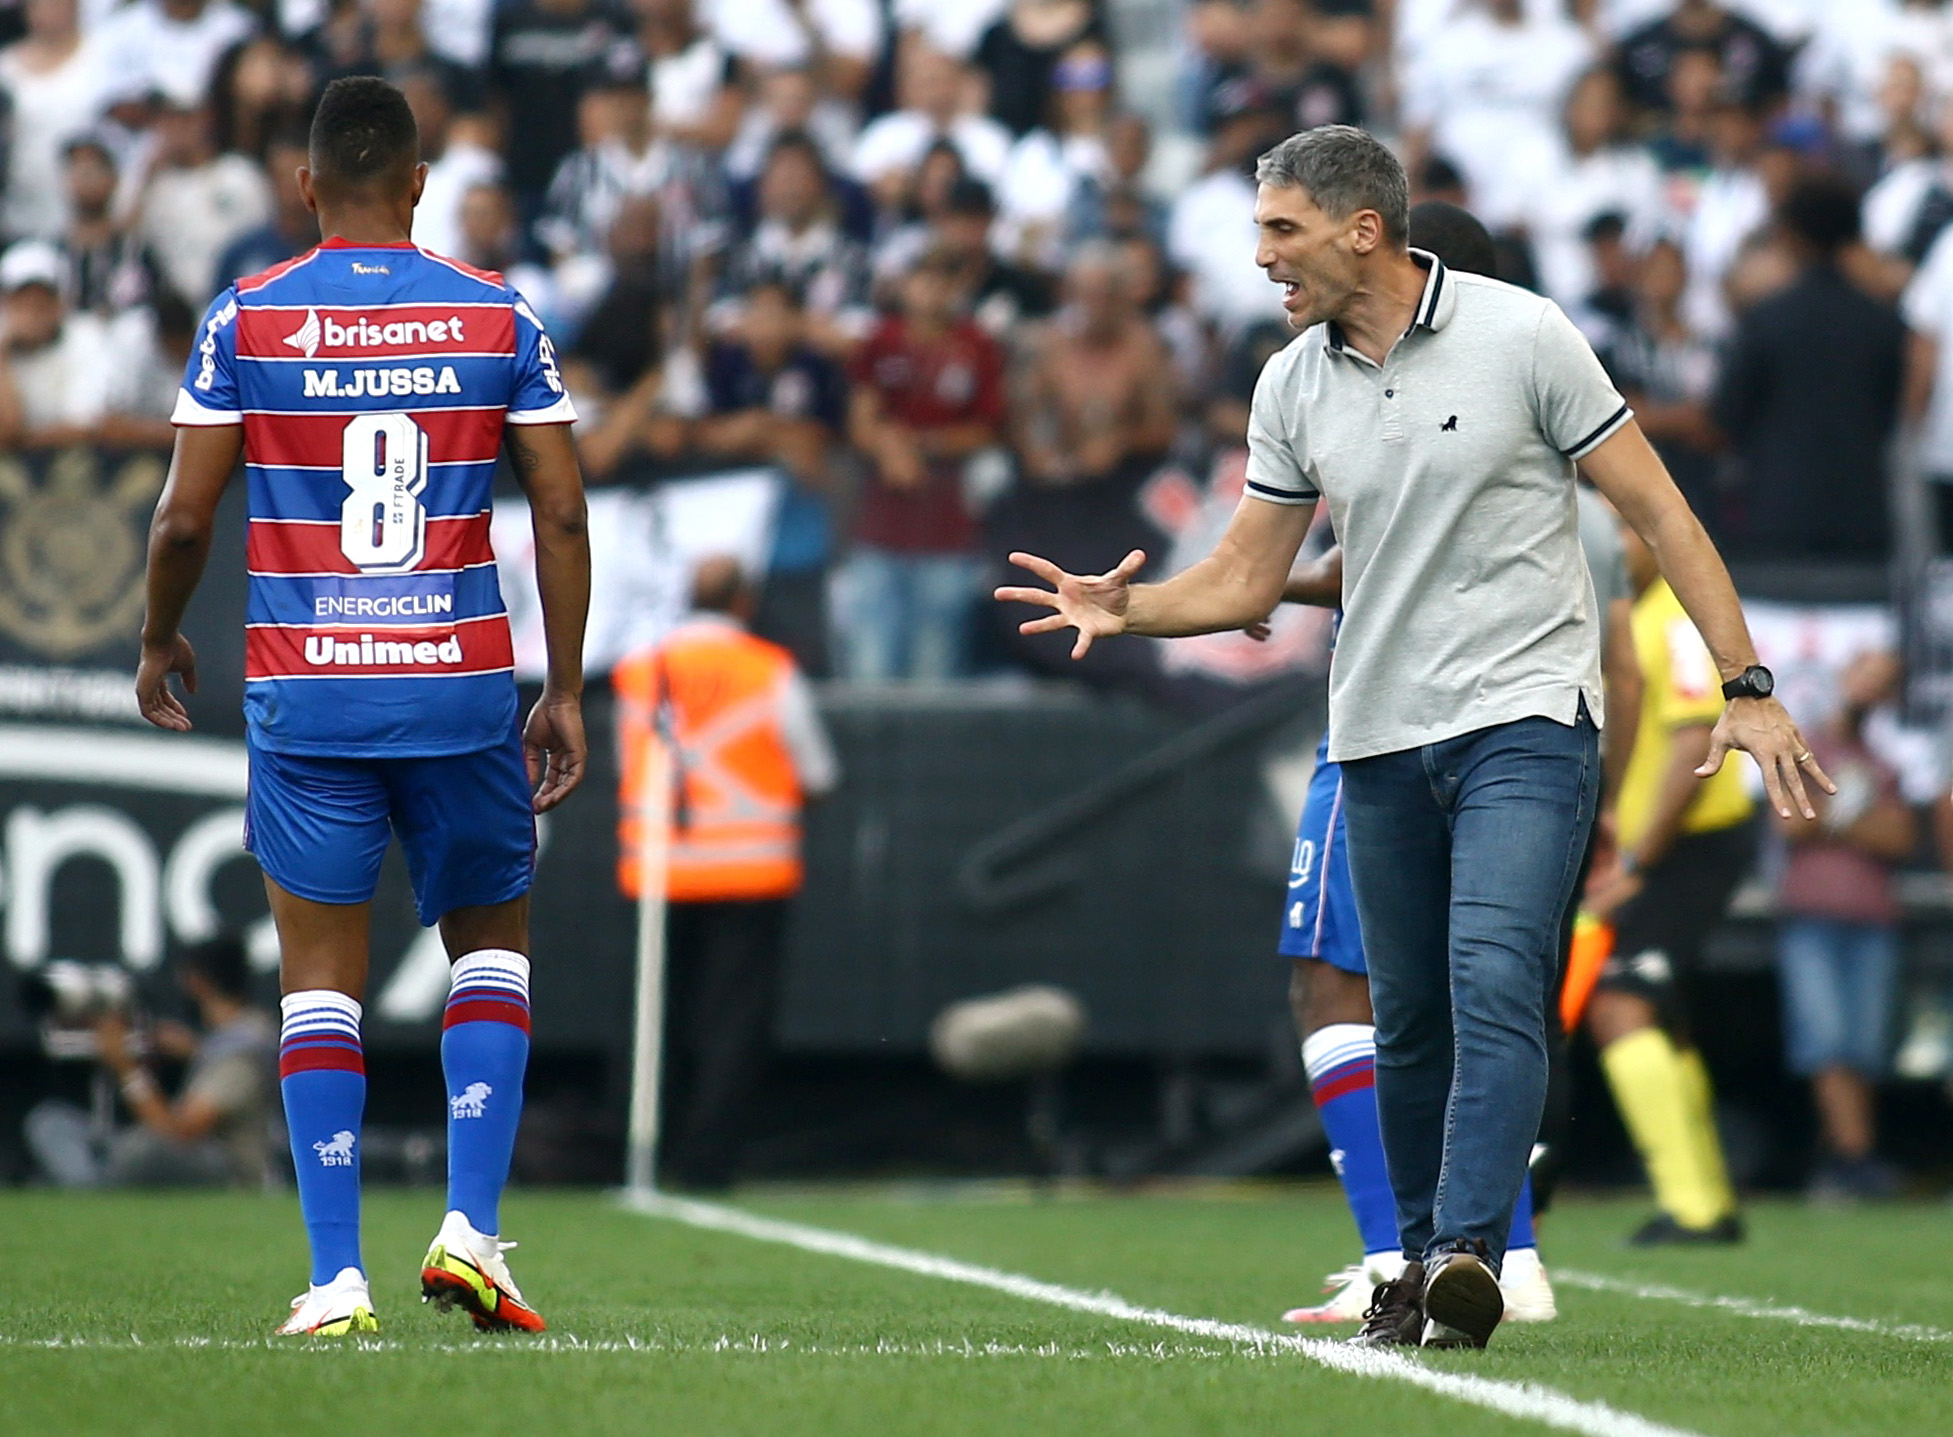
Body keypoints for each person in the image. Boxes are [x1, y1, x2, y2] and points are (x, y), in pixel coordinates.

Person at [996, 124, 1825, 1351]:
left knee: (1496, 979)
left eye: (1282, 229)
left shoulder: (1526, 334)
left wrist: (1747, 681)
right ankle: (1422, 1262)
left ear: (1361, 228)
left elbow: (1665, 511)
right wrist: (1129, 610)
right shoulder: (1288, 384)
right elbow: (1245, 581)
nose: (1262, 257)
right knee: (1411, 1017)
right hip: (1379, 731)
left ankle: (1467, 1256)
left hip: (1528, 723)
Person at [136, 76, 591, 1338]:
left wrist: (160, 633)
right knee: (491, 957)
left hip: (308, 694)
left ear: (305, 189)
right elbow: (558, 509)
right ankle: (472, 1236)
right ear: (419, 187)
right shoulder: (499, 314)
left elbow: (182, 515)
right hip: (458, 693)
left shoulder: (249, 318)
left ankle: (337, 1277)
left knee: (317, 989)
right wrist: (564, 685)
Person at [1267, 200, 1640, 1329]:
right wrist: (1607, 793)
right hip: (1550, 737)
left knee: (1353, 988)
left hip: (1398, 722)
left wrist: (1238, 589)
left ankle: (1424, 1247)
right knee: (1496, 988)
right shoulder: (1575, 466)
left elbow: (1378, 565)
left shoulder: (1422, 395)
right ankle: (1480, 1241)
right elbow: (1614, 643)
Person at [612, 556, 838, 1189]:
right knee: (732, 1020)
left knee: (654, 1014)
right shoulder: (768, 668)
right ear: (744, 601)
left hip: (659, 869)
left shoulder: (640, 669)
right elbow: (818, 773)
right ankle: (709, 1161)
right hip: (748, 868)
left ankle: (642, 1147)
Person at [1581, 517, 1757, 1245]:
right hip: (1663, 846)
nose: (1616, 544)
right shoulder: (1626, 614)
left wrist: (1635, 864)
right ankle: (1708, 1199)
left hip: (1690, 844)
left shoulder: (1677, 620)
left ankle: (1688, 1206)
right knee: (1656, 1012)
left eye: (1626, 528)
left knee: (1618, 1005)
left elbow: (1694, 739)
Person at [1775, 650, 1914, 1202]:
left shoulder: (1881, 761)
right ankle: (1853, 1157)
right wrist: (1857, 816)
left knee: (1866, 1044)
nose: (1870, 689)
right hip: (1812, 913)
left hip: (1872, 915)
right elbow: (1790, 825)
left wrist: (1833, 815)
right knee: (1825, 1039)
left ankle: (1846, 1156)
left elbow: (1901, 839)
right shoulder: (1804, 745)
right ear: (1842, 675)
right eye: (1866, 675)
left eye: (1884, 682)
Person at [834, 245, 1006, 680]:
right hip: (881, 522)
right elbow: (860, 421)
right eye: (923, 279)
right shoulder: (882, 341)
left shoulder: (976, 345)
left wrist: (918, 445)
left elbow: (987, 428)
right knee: (870, 664)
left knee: (937, 664)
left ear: (956, 289)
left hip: (946, 523)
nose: (932, 291)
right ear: (906, 286)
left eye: (943, 281)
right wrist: (889, 449)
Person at [1713, 174, 1903, 563]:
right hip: (1862, 517)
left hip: (1777, 516)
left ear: (1793, 236)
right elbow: (1889, 414)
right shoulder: (1883, 322)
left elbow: (1727, 417)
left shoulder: (1765, 320)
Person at [23, 936, 275, 1189]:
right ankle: (87, 1181)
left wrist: (127, 1070)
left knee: (143, 1146)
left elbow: (180, 1133)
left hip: (229, 1169)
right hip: (185, 1152)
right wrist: (196, 1051)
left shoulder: (243, 1050)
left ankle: (88, 1188)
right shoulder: (224, 1042)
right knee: (50, 1122)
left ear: (197, 981)